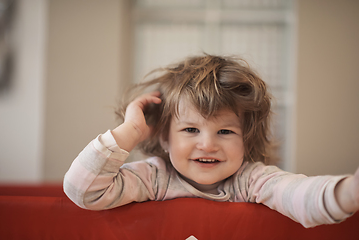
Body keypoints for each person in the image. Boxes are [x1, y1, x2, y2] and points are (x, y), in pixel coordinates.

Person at [63, 54, 359, 228]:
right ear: (164, 137)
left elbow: (296, 194)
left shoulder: (251, 180)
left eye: (225, 132)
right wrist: (130, 130)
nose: (207, 145)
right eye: (191, 130)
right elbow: (83, 191)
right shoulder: (153, 177)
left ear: (246, 140)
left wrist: (349, 192)